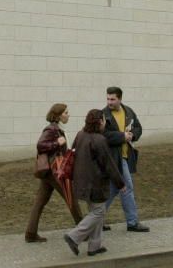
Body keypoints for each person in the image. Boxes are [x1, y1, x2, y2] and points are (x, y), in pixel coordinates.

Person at [62, 109, 126, 257]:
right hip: (95, 183)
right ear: (100, 122)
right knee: (99, 212)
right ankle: (74, 236)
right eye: (103, 120)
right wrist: (120, 183)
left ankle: (94, 246)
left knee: (96, 211)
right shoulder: (99, 140)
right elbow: (109, 164)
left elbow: (73, 153)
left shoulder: (80, 135)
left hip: (81, 181)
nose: (104, 123)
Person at [25, 103, 83, 242]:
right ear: (58, 115)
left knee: (40, 202)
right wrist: (58, 143)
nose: (68, 115)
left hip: (50, 172)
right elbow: (40, 145)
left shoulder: (56, 128)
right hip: (56, 170)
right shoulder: (51, 129)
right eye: (66, 113)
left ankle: (31, 234)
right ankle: (83, 231)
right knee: (71, 198)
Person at [103, 86, 149, 232]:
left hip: (126, 155)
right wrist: (122, 136)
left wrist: (133, 135)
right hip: (113, 158)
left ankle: (95, 219)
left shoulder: (128, 111)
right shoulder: (103, 115)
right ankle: (132, 222)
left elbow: (138, 128)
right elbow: (103, 135)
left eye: (113, 99)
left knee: (113, 189)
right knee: (127, 187)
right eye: (108, 98)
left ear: (120, 99)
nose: (109, 102)